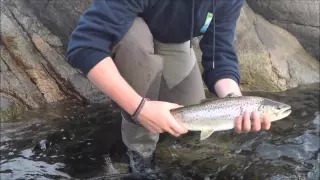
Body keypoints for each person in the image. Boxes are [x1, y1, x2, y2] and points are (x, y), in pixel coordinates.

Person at [67, 0, 272, 173]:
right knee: (134, 41)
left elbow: (220, 54)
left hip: (174, 41)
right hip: (130, 31)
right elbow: (84, 46)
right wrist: (140, 109)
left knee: (189, 115)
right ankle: (139, 150)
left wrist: (235, 101)